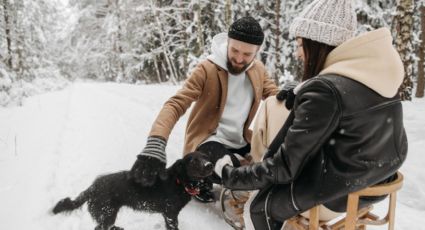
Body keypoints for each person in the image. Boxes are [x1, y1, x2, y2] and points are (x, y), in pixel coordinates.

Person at [214, 0, 408, 229]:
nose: (297, 53)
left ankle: (249, 192)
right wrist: (302, 91)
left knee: (260, 207)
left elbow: (284, 168)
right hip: (377, 181)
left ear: (316, 44)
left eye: (299, 44)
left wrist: (229, 174)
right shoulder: (373, 72)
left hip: (339, 193)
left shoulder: (325, 90)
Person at [130, 16, 279, 202]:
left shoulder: (258, 71)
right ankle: (198, 178)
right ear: (228, 42)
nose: (239, 58)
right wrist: (156, 141)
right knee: (231, 170)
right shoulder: (207, 69)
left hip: (241, 142)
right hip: (209, 142)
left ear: (257, 52)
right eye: (234, 50)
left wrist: (289, 95)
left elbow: (274, 96)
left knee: (269, 165)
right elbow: (176, 104)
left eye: (247, 54)